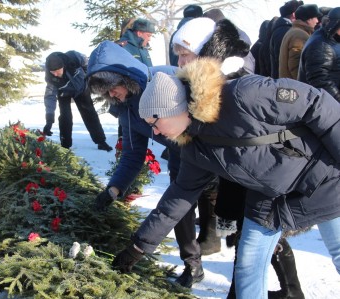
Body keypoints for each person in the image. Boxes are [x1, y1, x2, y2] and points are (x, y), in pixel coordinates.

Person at [112, 57, 340, 298]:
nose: (154, 132)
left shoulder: (244, 94)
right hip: (268, 199)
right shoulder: (194, 148)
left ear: (173, 108)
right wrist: (137, 247)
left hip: (320, 178)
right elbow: (178, 198)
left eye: (155, 123)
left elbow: (317, 102)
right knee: (248, 264)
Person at [86, 40, 204, 288]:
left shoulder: (169, 80)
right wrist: (113, 189)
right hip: (180, 156)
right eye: (104, 92)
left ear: (126, 77)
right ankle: (192, 265)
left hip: (207, 148)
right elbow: (132, 154)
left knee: (218, 207)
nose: (111, 95)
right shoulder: (126, 109)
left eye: (112, 88)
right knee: (179, 209)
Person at [171, 16, 250, 256]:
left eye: (186, 55)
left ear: (206, 53)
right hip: (224, 167)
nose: (180, 62)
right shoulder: (195, 81)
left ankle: (290, 289)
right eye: (179, 55)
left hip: (246, 171)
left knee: (250, 234)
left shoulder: (233, 81)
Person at [43, 51, 112, 151]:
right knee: (65, 117)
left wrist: (88, 79)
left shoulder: (74, 58)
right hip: (63, 92)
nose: (56, 74)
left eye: (58, 71)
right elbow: (49, 96)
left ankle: (101, 141)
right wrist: (49, 120)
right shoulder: (51, 78)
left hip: (81, 89)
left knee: (89, 113)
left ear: (63, 66)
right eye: (53, 72)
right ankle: (65, 145)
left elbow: (89, 64)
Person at [298, 7, 340, 102]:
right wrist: (338, 99)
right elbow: (320, 80)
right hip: (325, 105)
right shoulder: (322, 45)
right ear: (336, 24)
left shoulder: (331, 38)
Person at [279, 4, 321, 79]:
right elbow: (295, 65)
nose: (317, 21)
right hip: (295, 87)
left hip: (290, 84)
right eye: (315, 17)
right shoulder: (299, 35)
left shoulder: (295, 31)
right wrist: (305, 84)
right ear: (309, 19)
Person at [270, 0, 304, 79]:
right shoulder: (284, 31)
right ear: (294, 14)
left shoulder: (282, 29)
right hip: (285, 82)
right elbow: (281, 59)